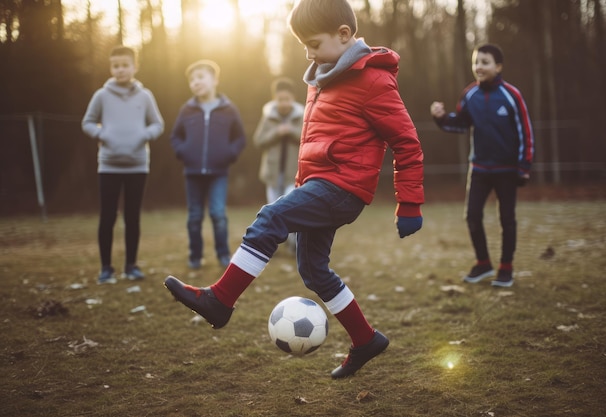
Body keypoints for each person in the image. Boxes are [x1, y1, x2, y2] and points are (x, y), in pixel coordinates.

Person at [164, 0, 424, 379]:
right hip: (320, 184)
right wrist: (303, 184)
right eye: (303, 44)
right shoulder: (322, 75)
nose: (308, 52)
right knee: (313, 270)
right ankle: (366, 340)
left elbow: (407, 142)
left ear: (344, 35)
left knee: (271, 217)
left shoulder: (373, 79)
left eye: (313, 43)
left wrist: (410, 202)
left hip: (343, 188)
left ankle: (220, 299)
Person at [430, 43, 534, 288]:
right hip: (479, 170)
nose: (479, 67)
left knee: (507, 219)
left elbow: (525, 132)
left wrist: (524, 166)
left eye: (485, 62)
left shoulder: (511, 95)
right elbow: (461, 124)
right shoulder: (469, 95)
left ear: (498, 67)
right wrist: (441, 118)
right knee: (472, 217)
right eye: (476, 62)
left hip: (507, 170)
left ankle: (505, 269)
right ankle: (483, 263)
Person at [82, 45, 164, 285]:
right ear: (111, 68)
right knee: (107, 216)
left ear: (134, 67)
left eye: (125, 65)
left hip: (138, 166)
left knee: (132, 217)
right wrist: (102, 134)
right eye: (116, 66)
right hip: (108, 166)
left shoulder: (145, 95)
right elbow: (87, 122)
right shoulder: (101, 95)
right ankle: (106, 268)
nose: (120, 70)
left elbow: (158, 124)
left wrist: (143, 135)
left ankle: (131, 266)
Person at [170, 59, 246, 269]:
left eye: (200, 77)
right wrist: (182, 152)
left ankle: (223, 255)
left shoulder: (229, 109)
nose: (196, 82)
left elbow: (240, 138)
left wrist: (229, 154)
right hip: (192, 172)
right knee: (194, 216)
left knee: (218, 214)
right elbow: (175, 137)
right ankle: (195, 256)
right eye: (192, 80)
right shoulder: (186, 110)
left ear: (215, 80)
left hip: (218, 172)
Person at [252, 76, 304, 253]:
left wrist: (291, 131)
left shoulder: (301, 117)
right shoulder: (269, 117)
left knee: (291, 209)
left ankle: (293, 243)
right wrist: (276, 132)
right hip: (272, 173)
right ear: (275, 99)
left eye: (287, 99)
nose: (284, 103)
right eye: (280, 99)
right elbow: (258, 140)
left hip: (293, 173)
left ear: (293, 98)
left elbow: (308, 139)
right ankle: (271, 244)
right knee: (273, 211)